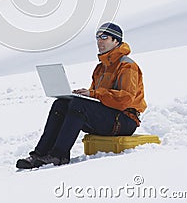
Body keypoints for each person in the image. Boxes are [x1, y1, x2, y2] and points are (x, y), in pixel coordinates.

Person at [16, 22, 147, 169]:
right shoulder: (100, 68)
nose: (99, 41)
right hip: (109, 117)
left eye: (104, 37)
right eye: (97, 37)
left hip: (125, 120)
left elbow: (125, 99)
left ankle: (59, 155)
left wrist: (92, 94)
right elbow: (98, 99)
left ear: (116, 41)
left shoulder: (127, 66)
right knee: (62, 104)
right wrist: (83, 95)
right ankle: (39, 155)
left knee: (79, 106)